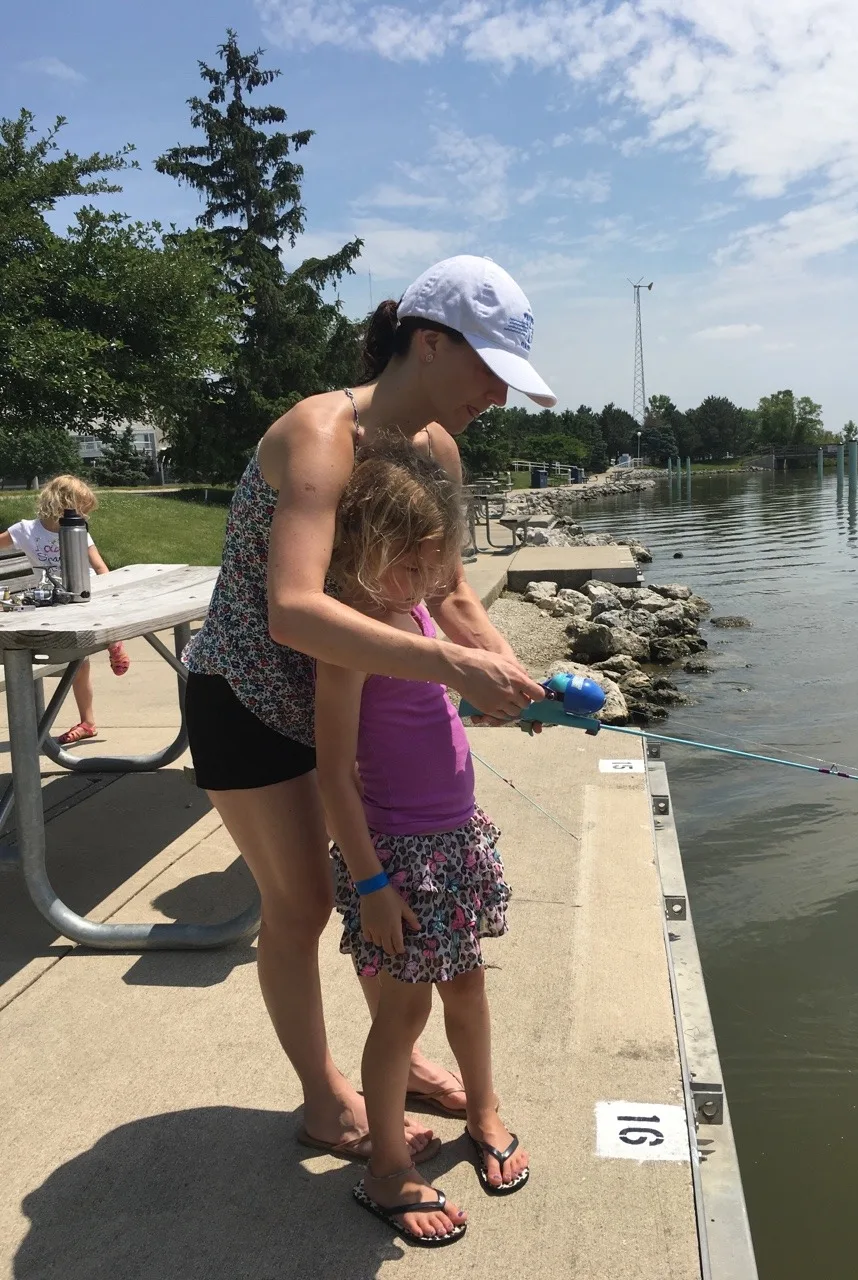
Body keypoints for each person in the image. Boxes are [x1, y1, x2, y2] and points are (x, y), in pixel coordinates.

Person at [182, 255, 555, 1165]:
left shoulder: (434, 448)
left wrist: (508, 670)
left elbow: (453, 588)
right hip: (251, 696)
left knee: (384, 897)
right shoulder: (320, 433)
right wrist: (446, 665)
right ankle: (324, 1098)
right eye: (491, 371)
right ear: (428, 343)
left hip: (351, 698)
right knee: (304, 903)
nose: (499, 398)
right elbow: (294, 609)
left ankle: (400, 1050)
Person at [318, 442, 529, 1247]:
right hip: (398, 862)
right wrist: (371, 887)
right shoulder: (348, 643)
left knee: (468, 992)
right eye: (411, 569)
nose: (427, 586)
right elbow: (335, 776)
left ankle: (484, 1109)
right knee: (400, 1017)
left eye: (434, 568)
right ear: (364, 556)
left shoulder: (414, 618)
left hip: (456, 844)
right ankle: (383, 1170)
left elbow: (444, 705)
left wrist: (506, 695)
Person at [0, 475, 130, 744]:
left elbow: (99, 567)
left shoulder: (78, 529)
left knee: (79, 659)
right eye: (80, 508)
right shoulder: (26, 530)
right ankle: (88, 722)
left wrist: (111, 595)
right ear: (61, 504)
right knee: (79, 664)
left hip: (83, 595)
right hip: (54, 601)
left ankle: (112, 640)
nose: (82, 515)